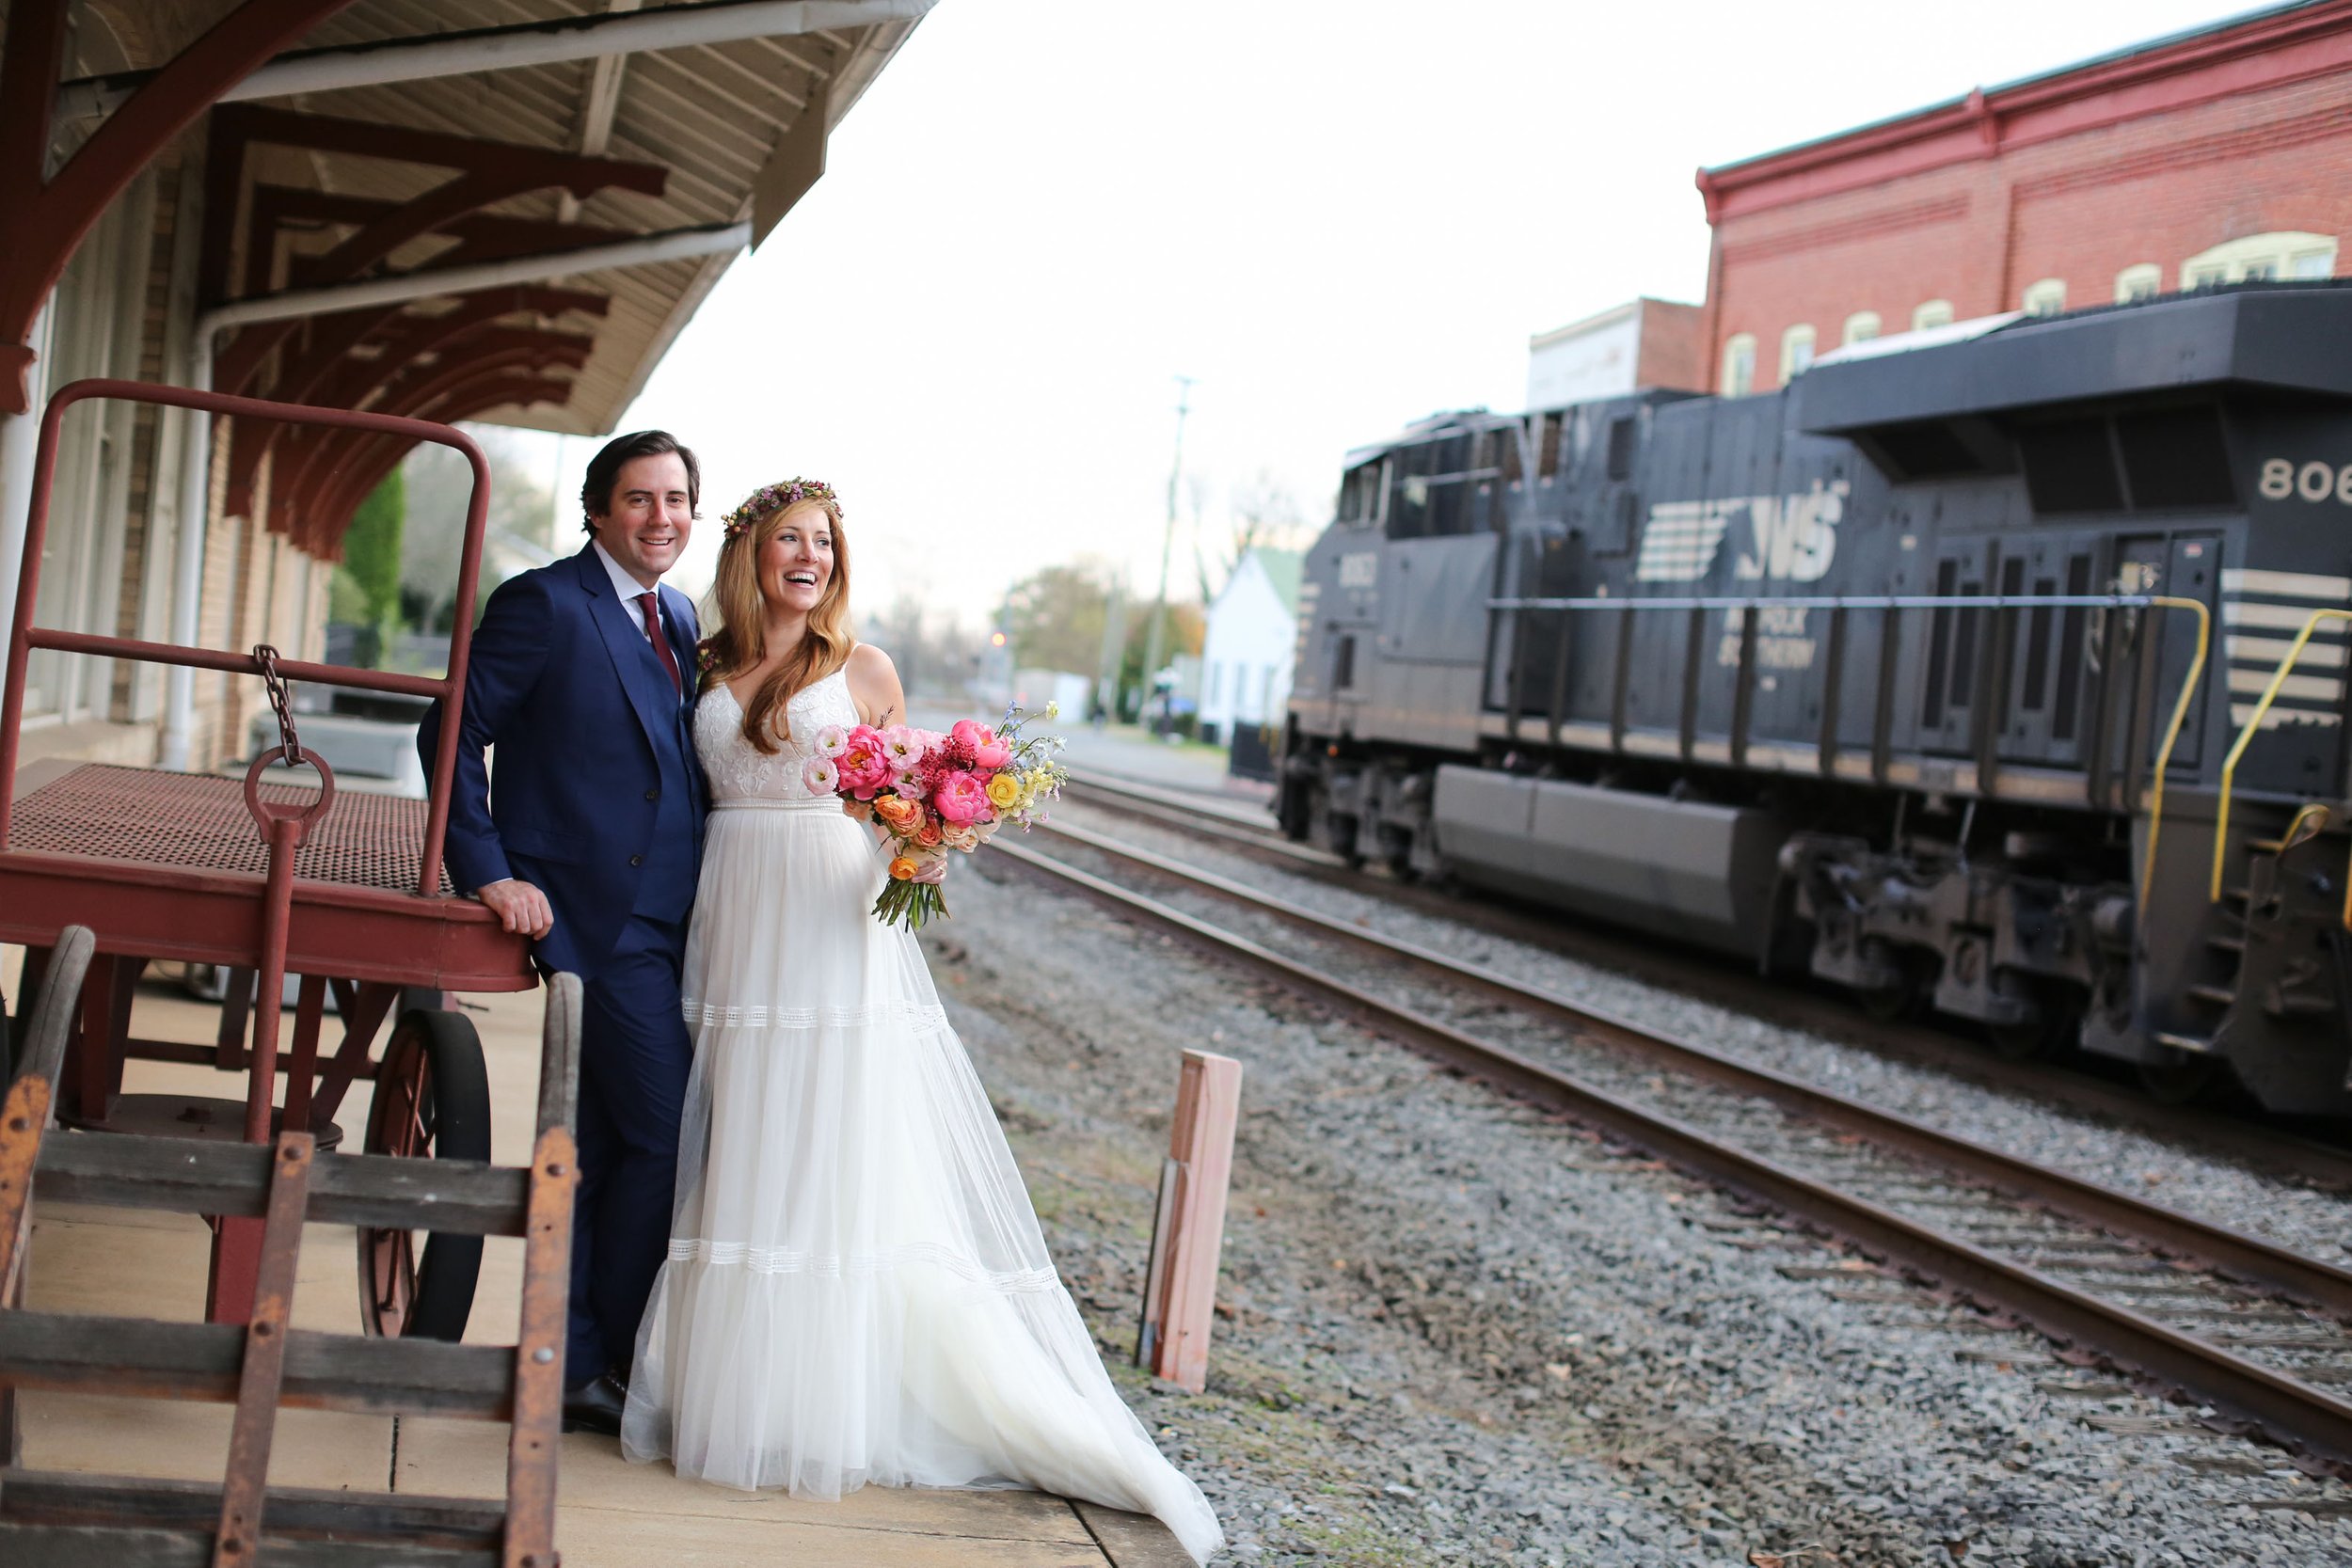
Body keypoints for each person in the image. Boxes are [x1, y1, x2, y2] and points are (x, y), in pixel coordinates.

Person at [621, 480, 1221, 1564]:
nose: (807, 556)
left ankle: (817, 1404)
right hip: (732, 911)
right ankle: (728, 1383)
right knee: (737, 1133)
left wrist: (928, 836)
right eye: (788, 539)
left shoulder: (864, 670)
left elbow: (902, 801)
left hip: (827, 921)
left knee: (827, 1139)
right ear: (751, 552)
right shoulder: (701, 660)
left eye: (823, 542)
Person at [419, 430, 708, 1437]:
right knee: (664, 1135)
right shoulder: (545, 601)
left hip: (682, 921)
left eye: (676, 499)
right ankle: (614, 1353)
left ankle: (572, 1359)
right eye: (639, 498)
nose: (660, 517)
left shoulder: (678, 613)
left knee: (601, 1147)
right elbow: (452, 728)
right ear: (596, 508)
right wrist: (490, 866)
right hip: (599, 919)